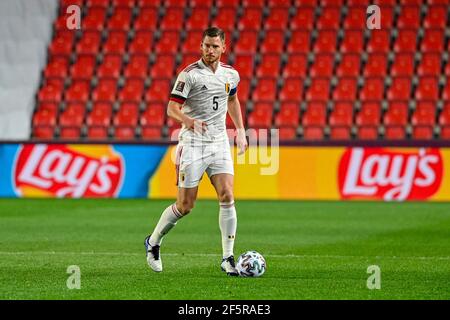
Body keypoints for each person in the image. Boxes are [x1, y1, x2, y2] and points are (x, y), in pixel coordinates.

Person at [144, 27, 248, 276]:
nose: (209, 50)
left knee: (227, 194)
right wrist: (189, 122)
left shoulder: (231, 75)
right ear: (201, 46)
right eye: (205, 46)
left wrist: (241, 130)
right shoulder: (189, 75)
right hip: (193, 144)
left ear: (224, 47)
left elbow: (231, 100)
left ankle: (227, 257)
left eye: (214, 46)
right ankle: (154, 241)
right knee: (185, 205)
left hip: (219, 142)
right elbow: (171, 108)